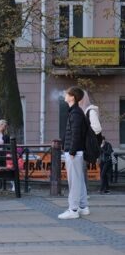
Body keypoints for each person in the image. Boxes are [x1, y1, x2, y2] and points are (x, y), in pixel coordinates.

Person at [58, 87, 89, 220]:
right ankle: (83, 207)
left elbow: (76, 134)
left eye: (67, 93)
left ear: (73, 97)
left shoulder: (75, 113)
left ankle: (73, 209)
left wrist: (72, 150)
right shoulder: (75, 111)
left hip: (74, 153)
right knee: (79, 179)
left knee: (74, 181)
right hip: (76, 152)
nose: (65, 94)